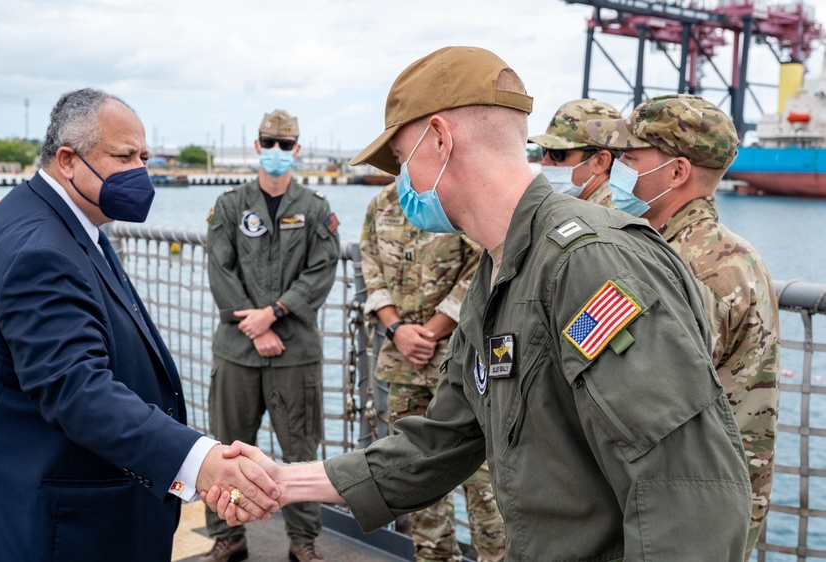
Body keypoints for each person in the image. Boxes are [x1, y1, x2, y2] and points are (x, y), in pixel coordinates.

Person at [204, 46, 752, 562]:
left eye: (402, 162)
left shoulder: (589, 262)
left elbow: (688, 490)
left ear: (440, 139)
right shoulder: (499, 268)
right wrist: (281, 480)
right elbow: (444, 440)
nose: (402, 187)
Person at [0, 88, 281, 562]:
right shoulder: (40, 250)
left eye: (144, 157)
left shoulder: (60, 222)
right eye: (125, 156)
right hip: (36, 523)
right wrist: (199, 460)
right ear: (68, 160)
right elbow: (76, 388)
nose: (141, 172)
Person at [584, 94, 781, 559]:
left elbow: (636, 384)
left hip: (690, 512)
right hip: (675, 498)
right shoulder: (668, 250)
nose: (618, 171)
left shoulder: (703, 267)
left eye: (630, 159)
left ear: (676, 172)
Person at [203, 109, 340, 562]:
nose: (277, 152)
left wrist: (275, 314)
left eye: (285, 145)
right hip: (238, 349)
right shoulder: (229, 205)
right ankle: (229, 533)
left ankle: (303, 541)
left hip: (294, 351)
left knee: (300, 451)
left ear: (297, 150)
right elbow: (220, 270)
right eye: (269, 143)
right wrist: (254, 325)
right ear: (256, 146)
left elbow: (322, 270)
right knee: (228, 448)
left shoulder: (316, 208)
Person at [361, 183, 504, 562]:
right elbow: (371, 270)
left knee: (483, 479)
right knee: (411, 471)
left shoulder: (460, 198)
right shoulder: (381, 205)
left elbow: (484, 268)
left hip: (465, 360)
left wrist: (431, 330)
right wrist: (397, 330)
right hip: (403, 361)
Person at [528, 98, 622, 207]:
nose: (545, 161)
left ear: (600, 162)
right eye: (544, 150)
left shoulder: (612, 216)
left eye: (557, 154)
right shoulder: (579, 206)